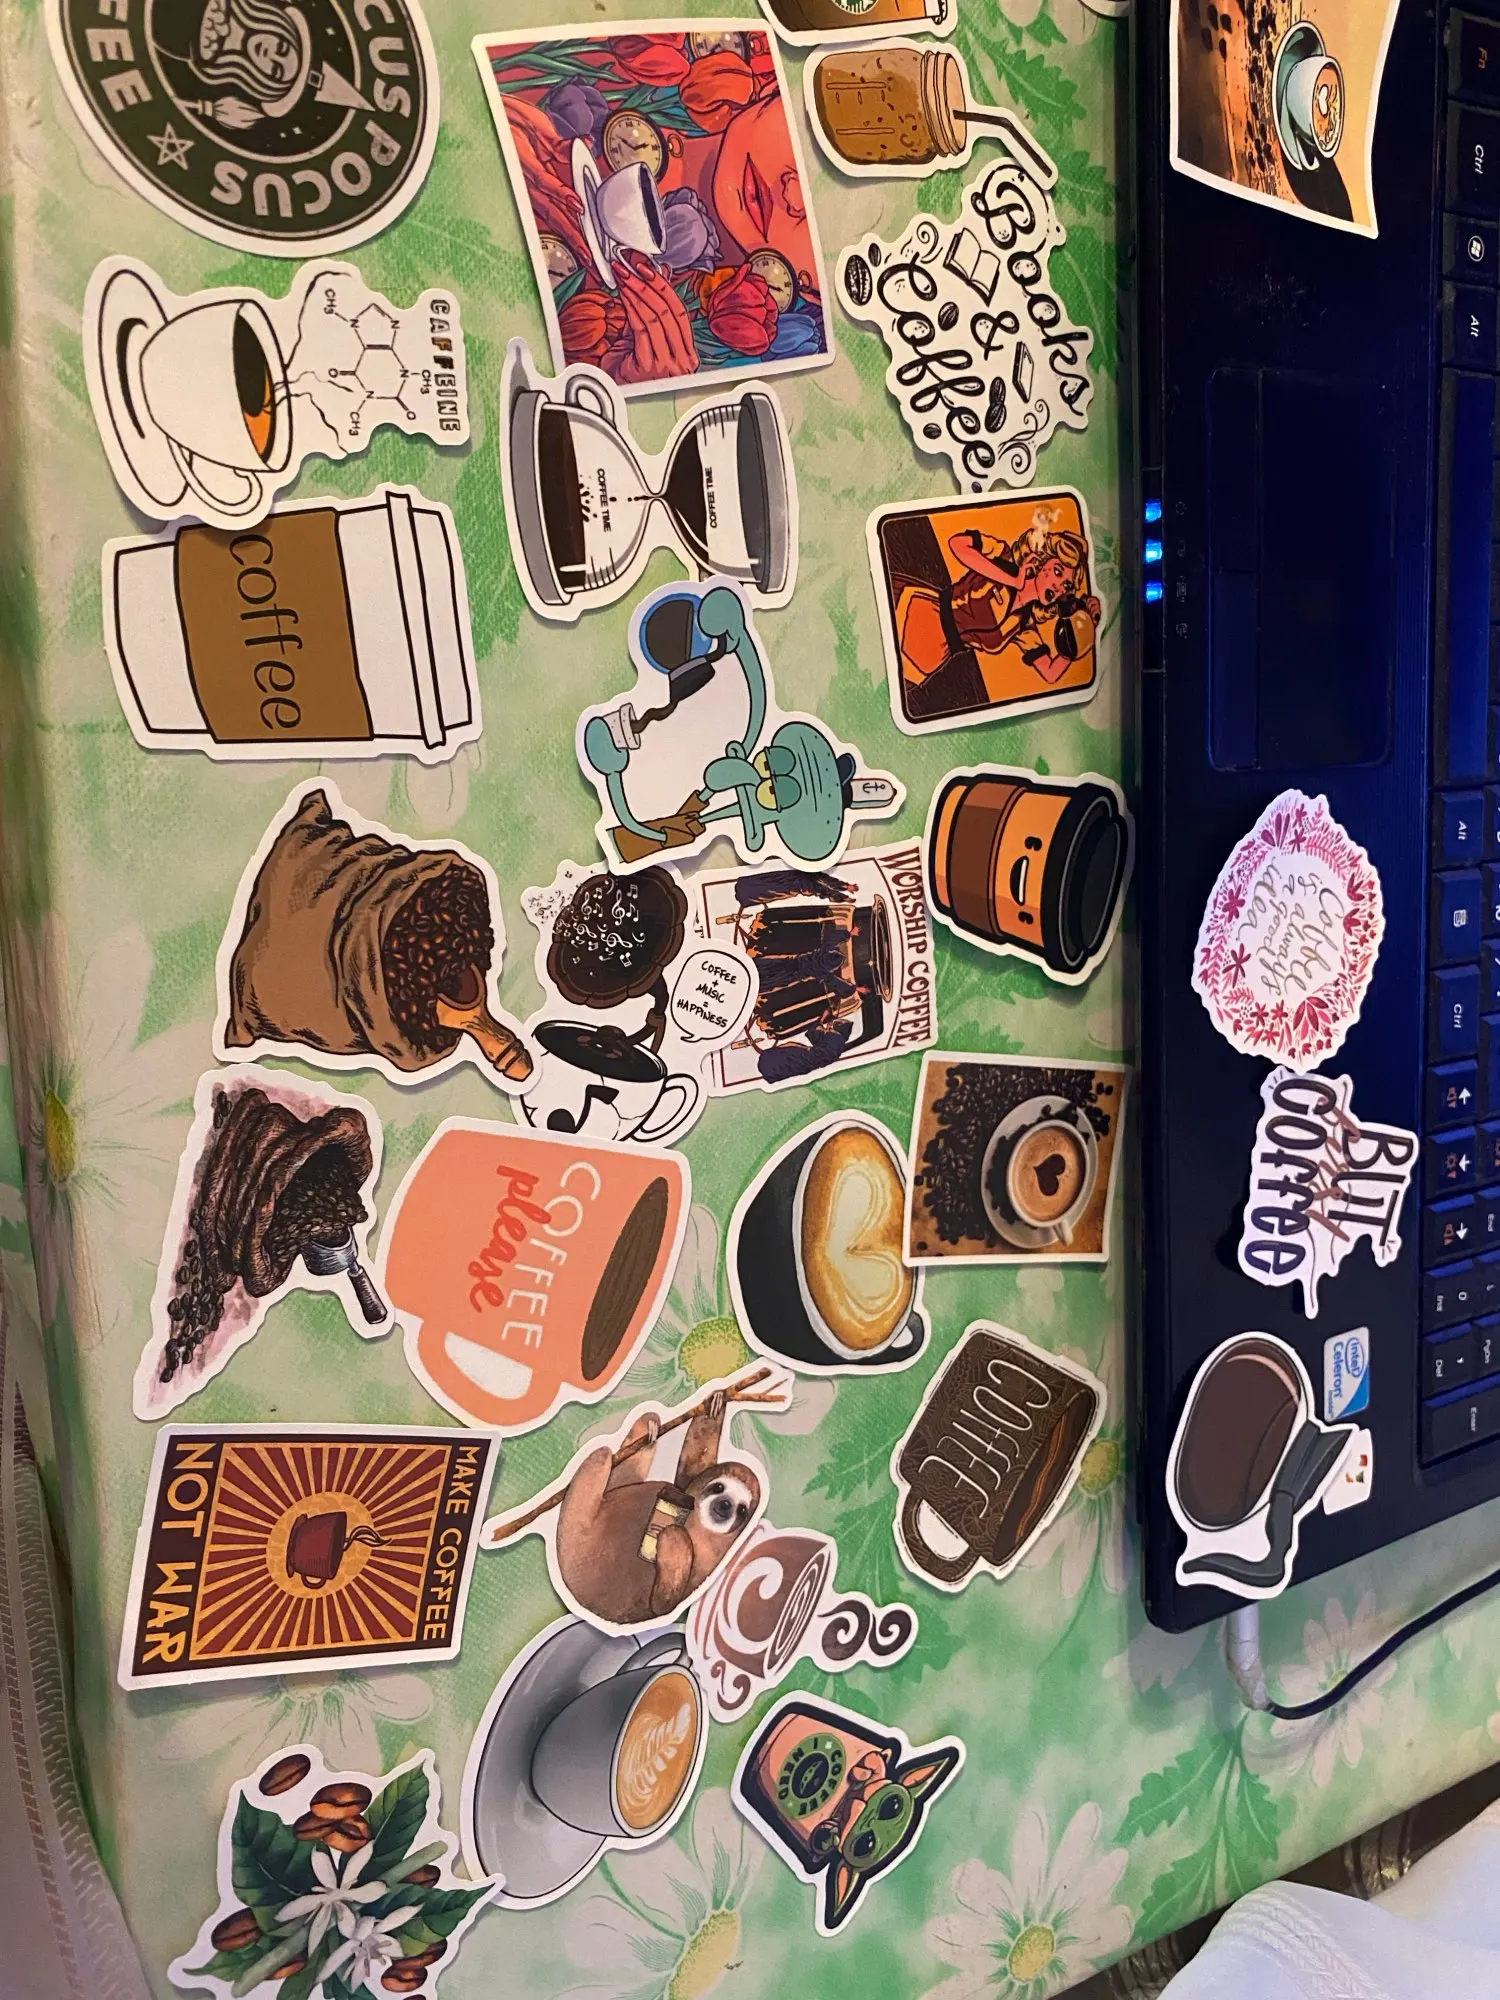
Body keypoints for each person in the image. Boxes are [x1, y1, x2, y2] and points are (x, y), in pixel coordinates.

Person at [896, 522, 1101, 722]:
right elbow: (957, 544)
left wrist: (1086, 631)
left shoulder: (1024, 625)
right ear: (1042, 560)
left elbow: (1050, 672)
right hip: (914, 611)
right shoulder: (1002, 555)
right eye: (1057, 572)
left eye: (1066, 585)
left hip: (928, 661)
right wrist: (1012, 580)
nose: (1059, 587)